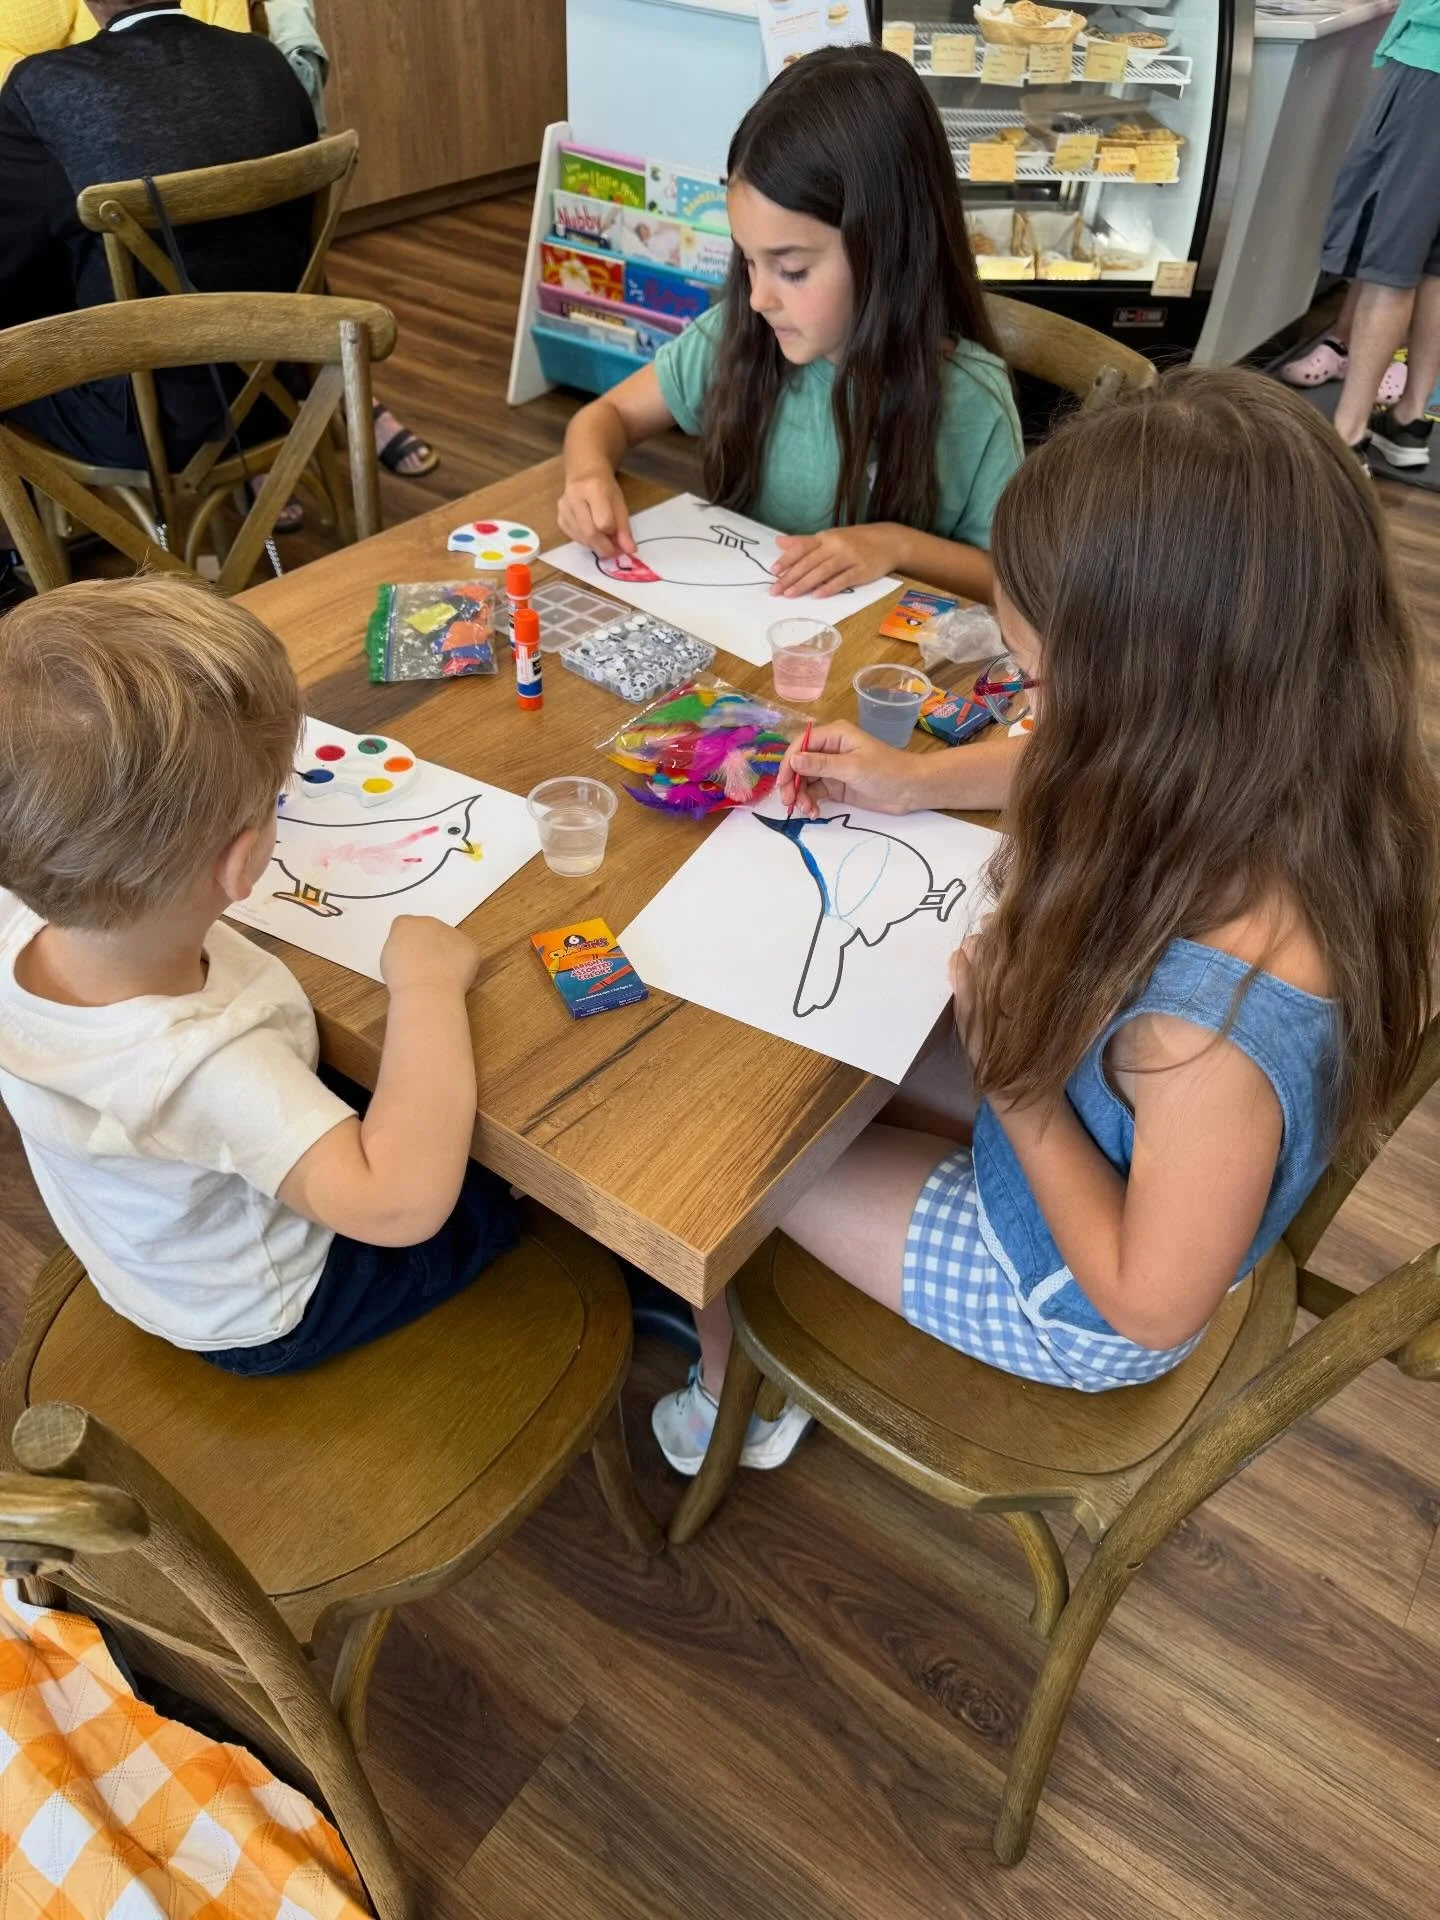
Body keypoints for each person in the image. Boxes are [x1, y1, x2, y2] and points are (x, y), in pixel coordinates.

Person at [651, 368, 1440, 1474]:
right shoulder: (1289, 776)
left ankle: (734, 1394)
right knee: (816, 1070)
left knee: (743, 1166)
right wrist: (914, 784)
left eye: (1041, 684)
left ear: (1153, 709)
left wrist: (1018, 1098)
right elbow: (1081, 771)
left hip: (1073, 1293)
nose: (1030, 711)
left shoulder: (1208, 1036)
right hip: (1091, 1126)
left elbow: (1151, 1304)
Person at [0, 577, 518, 1374]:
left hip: (152, 1251)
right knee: (495, 1188)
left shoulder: (18, 912)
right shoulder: (203, 1063)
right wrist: (426, 986)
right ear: (242, 862)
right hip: (274, 1309)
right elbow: (399, 1203)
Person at [556, 45, 1023, 605]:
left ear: (889, 250)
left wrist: (896, 545)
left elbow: (1008, 583)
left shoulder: (974, 401)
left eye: (792, 269)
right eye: (748, 260)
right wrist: (587, 475)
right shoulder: (737, 338)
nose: (757, 298)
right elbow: (603, 416)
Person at [0, 0, 317, 469]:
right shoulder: (264, 62)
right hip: (288, 388)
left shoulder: (41, 88)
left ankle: (30, 544)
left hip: (149, 425)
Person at [1306, 0, 1440, 467]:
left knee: (1391, 262)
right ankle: (1407, 421)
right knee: (1434, 267)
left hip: (1432, 69)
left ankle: (1346, 436)